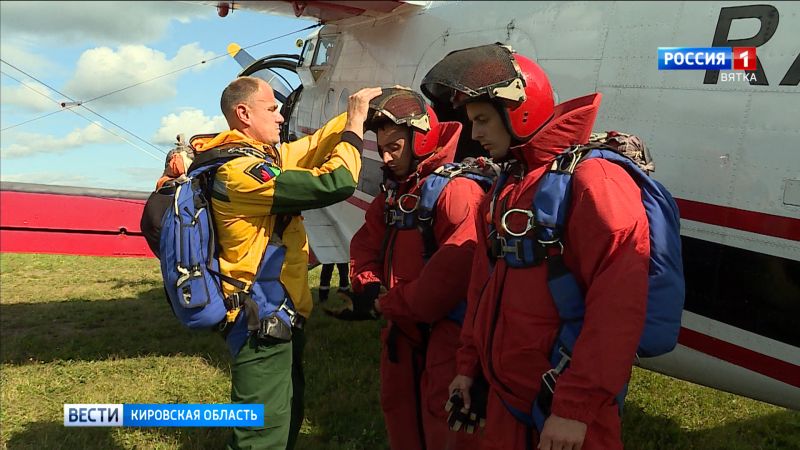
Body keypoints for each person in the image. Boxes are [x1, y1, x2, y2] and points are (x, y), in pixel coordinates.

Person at [421, 44, 649, 450]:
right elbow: (482, 285)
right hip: (508, 403)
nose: (475, 135)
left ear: (519, 111)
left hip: (563, 417)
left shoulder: (595, 182)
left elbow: (618, 305)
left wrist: (574, 409)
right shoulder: (507, 188)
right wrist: (469, 367)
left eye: (484, 120)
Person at [189, 76, 380, 450]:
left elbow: (309, 146)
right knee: (261, 437)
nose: (281, 117)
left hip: (279, 316)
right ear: (243, 113)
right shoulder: (241, 173)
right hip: (259, 322)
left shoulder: (256, 158)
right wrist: (355, 129)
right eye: (272, 109)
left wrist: (354, 112)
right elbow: (335, 183)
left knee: (286, 416)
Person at [330, 87, 486, 449]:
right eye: (381, 148)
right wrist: (368, 285)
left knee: (446, 427)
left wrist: (387, 303)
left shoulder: (457, 192)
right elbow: (365, 244)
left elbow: (448, 277)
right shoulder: (395, 194)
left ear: (421, 139)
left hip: (447, 333)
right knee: (400, 414)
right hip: (404, 334)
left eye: (394, 148)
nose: (385, 157)